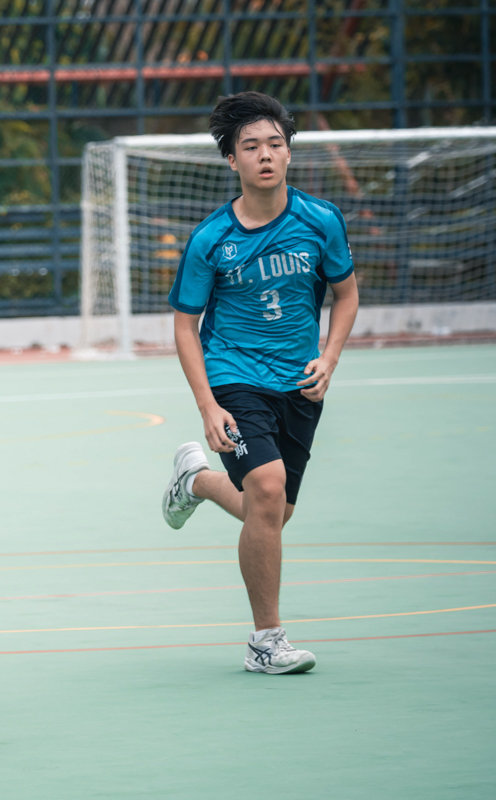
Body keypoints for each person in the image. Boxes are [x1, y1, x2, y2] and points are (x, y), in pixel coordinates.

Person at [160, 92, 359, 675]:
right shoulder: (211, 239)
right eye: (251, 147)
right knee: (268, 491)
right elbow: (185, 325)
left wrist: (330, 357)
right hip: (234, 375)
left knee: (270, 512)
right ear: (232, 160)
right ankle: (266, 643)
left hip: (299, 382)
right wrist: (207, 404)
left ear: (289, 153)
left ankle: (196, 481)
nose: (265, 155)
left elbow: (346, 295)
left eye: (275, 144)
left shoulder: (320, 220)